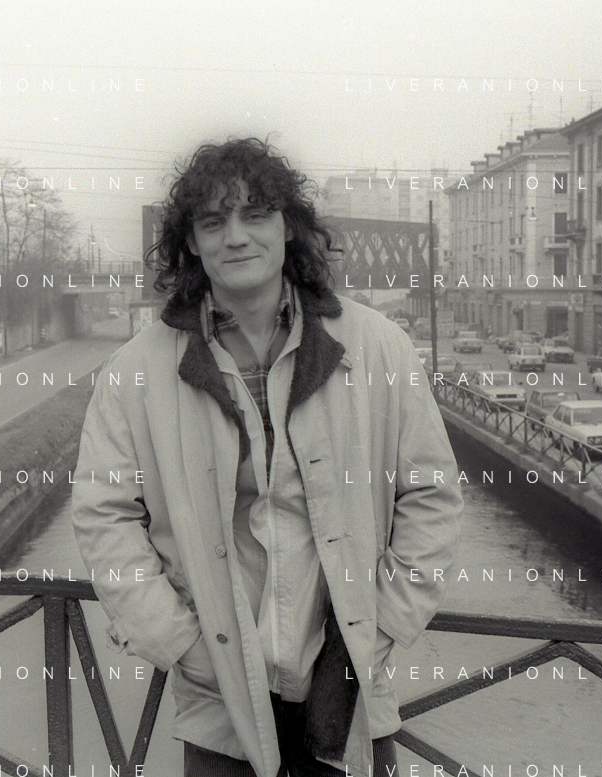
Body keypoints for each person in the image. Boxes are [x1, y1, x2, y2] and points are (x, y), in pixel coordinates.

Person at [71, 137, 462, 777]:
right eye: (213, 222)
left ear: (288, 227)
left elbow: (431, 494)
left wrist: (386, 625)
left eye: (255, 215)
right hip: (219, 701)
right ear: (191, 242)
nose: (236, 237)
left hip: (348, 692)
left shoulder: (378, 347)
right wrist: (180, 643)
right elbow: (103, 514)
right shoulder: (135, 371)